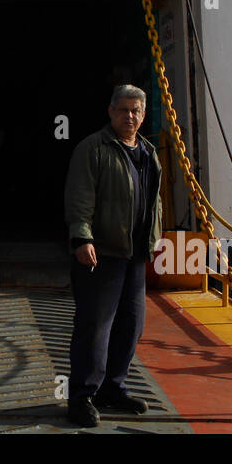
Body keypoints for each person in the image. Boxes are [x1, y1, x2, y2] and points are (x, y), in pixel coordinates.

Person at [63, 84, 164, 428]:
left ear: (143, 114)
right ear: (110, 111)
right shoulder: (93, 149)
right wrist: (81, 237)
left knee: (131, 325)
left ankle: (113, 388)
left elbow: (153, 202)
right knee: (95, 328)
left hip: (134, 256)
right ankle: (81, 397)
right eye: (123, 110)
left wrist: (155, 239)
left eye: (136, 111)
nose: (130, 116)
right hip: (101, 253)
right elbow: (80, 197)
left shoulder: (148, 152)